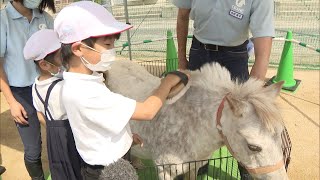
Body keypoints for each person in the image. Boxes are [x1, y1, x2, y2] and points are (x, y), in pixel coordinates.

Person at [54, 1, 189, 179]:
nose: (113, 51)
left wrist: (126, 138)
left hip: (104, 161)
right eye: (108, 45)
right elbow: (148, 111)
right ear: (79, 48)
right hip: (109, 170)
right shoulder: (87, 93)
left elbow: (98, 125)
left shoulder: (82, 81)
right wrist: (168, 81)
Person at [172, 0, 274, 179]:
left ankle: (247, 171)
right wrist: (181, 59)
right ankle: (196, 163)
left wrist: (253, 93)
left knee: (242, 117)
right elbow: (182, 16)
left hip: (234, 56)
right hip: (199, 51)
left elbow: (263, 46)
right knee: (194, 114)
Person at [0, 0, 56, 179]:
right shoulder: (3, 19)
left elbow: (58, 53)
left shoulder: (45, 18)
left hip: (49, 87)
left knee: (60, 135)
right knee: (33, 147)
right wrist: (12, 101)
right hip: (21, 92)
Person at [23, 29, 83, 180]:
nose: (65, 58)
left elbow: (40, 116)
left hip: (54, 138)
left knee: (62, 170)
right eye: (61, 56)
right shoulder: (63, 87)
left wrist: (54, 130)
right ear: (44, 64)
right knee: (77, 169)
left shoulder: (35, 86)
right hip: (71, 136)